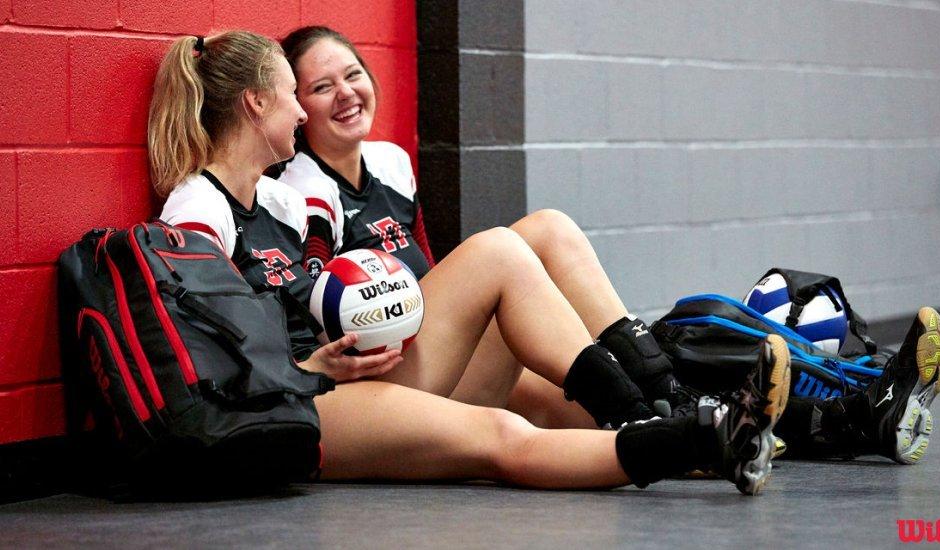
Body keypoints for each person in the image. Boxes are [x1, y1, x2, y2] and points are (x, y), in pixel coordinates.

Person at [147, 30, 792, 495]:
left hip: (352, 378)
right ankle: (692, 433)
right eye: (296, 93)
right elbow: (210, 365)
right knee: (502, 434)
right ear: (257, 104)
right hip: (301, 404)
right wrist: (311, 364)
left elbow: (316, 298)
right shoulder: (196, 209)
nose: (300, 109)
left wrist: (362, 327)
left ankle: (686, 422)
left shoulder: (283, 202)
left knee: (512, 258)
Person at [275, 26, 940, 467]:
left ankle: (852, 418)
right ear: (297, 108)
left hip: (449, 366)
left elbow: (424, 279)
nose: (345, 93)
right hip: (394, 388)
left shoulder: (392, 165)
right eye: (321, 85)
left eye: (353, 73)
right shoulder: (302, 196)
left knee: (557, 255)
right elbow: (320, 317)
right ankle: (682, 407)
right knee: (511, 255)